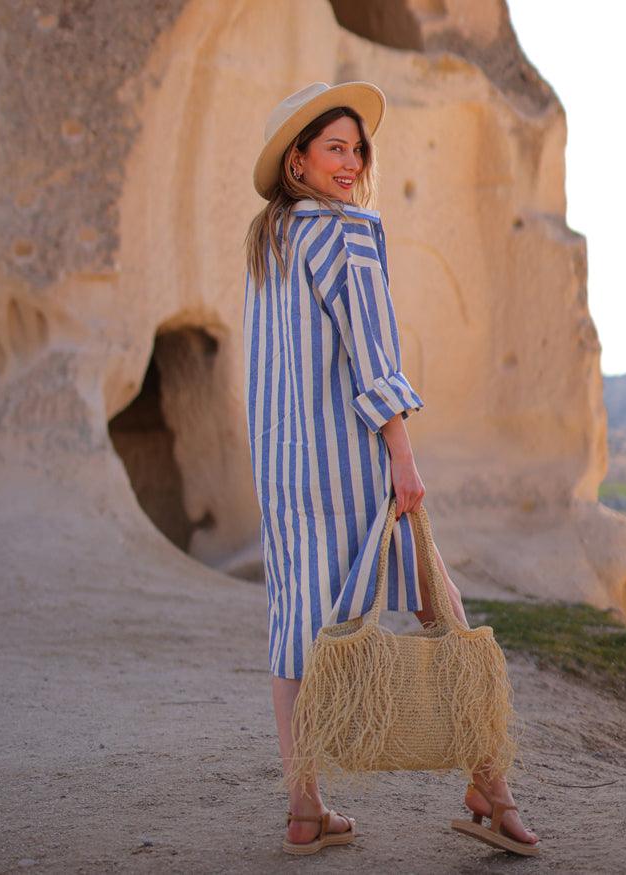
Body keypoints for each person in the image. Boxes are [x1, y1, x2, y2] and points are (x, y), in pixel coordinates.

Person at [242, 81, 540, 857]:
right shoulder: (343, 233)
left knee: (295, 631)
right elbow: (374, 360)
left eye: (358, 148)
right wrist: (403, 460)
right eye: (334, 147)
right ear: (297, 159)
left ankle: (304, 810)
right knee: (442, 605)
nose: (351, 162)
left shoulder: (271, 241)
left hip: (284, 472)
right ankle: (491, 788)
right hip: (350, 468)